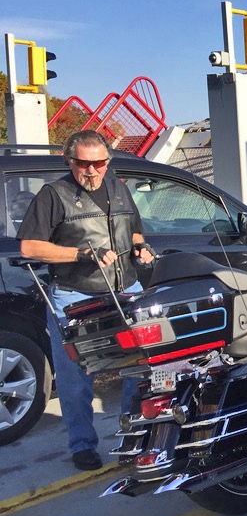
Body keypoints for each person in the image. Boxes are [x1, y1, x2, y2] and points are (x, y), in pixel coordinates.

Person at [18, 130, 154, 471]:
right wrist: (80, 254)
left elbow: (134, 230)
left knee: (141, 367)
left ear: (107, 162)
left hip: (125, 290)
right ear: (70, 161)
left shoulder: (120, 188)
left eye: (98, 163)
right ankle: (82, 445)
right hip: (74, 294)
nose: (91, 170)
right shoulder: (54, 195)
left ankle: (134, 435)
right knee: (77, 376)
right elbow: (30, 247)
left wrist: (140, 247)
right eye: (83, 163)